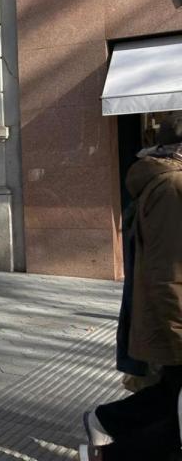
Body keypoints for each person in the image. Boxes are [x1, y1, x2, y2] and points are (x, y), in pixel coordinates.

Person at [80, 116, 182, 461]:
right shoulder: (172, 185)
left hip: (168, 316)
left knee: (170, 400)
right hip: (173, 318)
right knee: (172, 411)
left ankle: (106, 422)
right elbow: (170, 271)